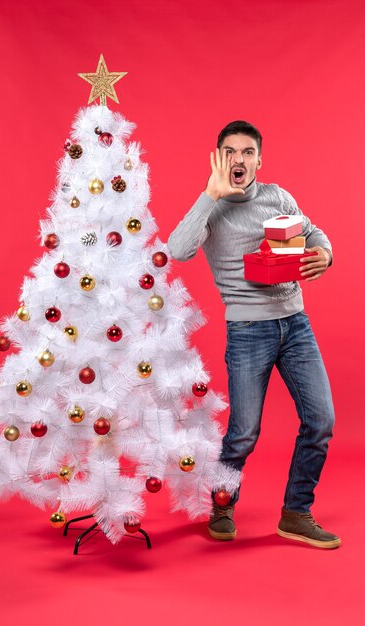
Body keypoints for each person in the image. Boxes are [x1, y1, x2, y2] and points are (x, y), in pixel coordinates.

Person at [167, 120, 340, 549]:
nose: (238, 159)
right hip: (247, 330)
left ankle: (296, 513)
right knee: (244, 432)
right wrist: (210, 195)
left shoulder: (278, 196)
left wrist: (325, 253)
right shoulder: (213, 207)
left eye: (247, 152)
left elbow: (311, 231)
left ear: (259, 160)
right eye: (230, 152)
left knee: (321, 421)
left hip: (296, 324)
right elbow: (177, 249)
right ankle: (223, 503)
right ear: (218, 158)